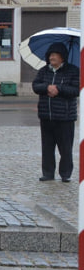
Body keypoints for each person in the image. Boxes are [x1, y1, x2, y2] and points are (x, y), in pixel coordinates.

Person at [32, 42, 79, 182]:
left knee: (65, 148)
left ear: (62, 57)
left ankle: (65, 174)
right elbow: (35, 86)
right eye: (50, 55)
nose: (51, 57)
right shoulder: (43, 70)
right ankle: (48, 173)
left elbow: (76, 90)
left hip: (65, 117)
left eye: (54, 55)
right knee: (47, 147)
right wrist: (47, 87)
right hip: (46, 115)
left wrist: (58, 89)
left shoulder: (73, 71)